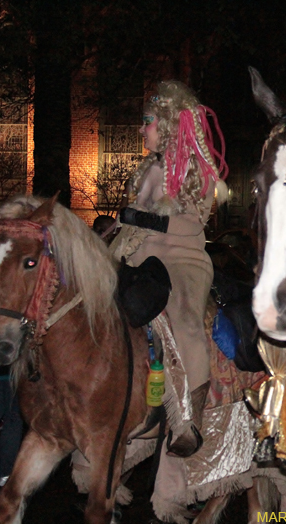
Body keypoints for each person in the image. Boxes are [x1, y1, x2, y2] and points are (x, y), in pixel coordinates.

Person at [111, 80, 228, 457]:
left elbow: (193, 225)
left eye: (147, 121)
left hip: (182, 260)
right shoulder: (147, 169)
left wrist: (145, 220)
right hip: (136, 256)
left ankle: (190, 422)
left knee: (186, 321)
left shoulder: (199, 170)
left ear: (167, 125)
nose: (142, 129)